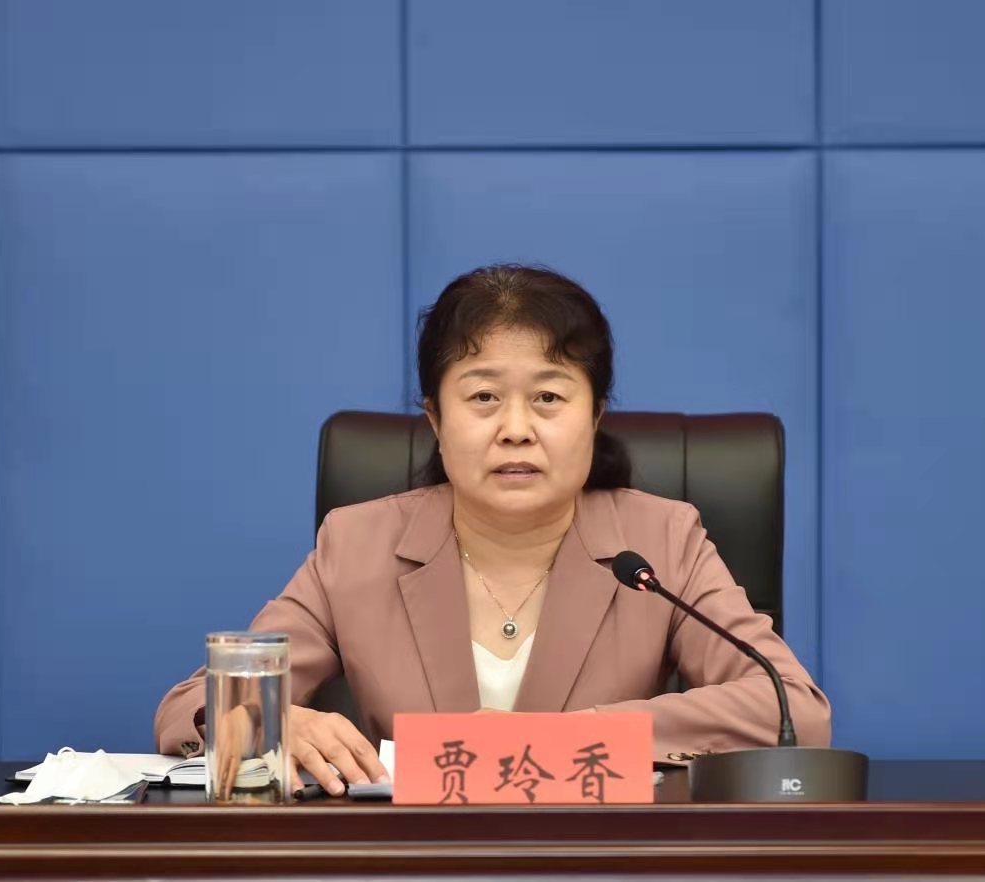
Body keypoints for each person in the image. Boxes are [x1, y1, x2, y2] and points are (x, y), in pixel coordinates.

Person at [155, 263, 831, 797]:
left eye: (548, 397)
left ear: (594, 418)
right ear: (435, 419)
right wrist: (272, 720)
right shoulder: (357, 543)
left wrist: (563, 741)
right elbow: (187, 710)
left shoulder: (659, 540)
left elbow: (793, 711)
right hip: (408, 866)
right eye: (483, 397)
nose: (515, 428)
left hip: (603, 864)